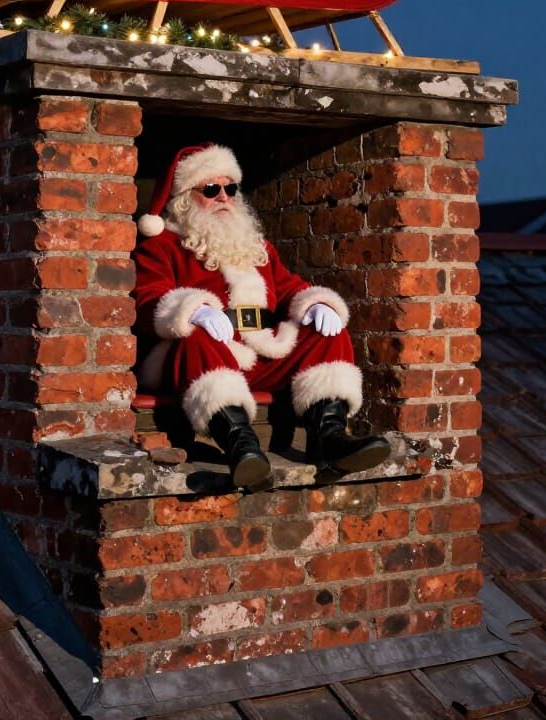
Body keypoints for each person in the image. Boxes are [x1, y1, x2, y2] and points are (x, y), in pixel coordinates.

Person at [133, 143, 390, 490]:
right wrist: (194, 310)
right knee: (196, 338)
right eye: (211, 189)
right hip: (198, 358)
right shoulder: (161, 245)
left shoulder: (256, 247)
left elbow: (287, 287)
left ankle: (329, 439)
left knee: (326, 332)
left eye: (231, 188)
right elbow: (147, 298)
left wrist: (315, 304)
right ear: (183, 199)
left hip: (259, 350)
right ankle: (242, 448)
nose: (223, 197)